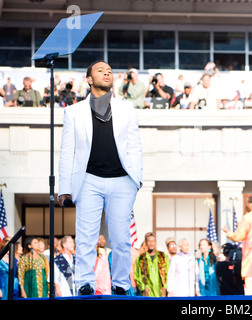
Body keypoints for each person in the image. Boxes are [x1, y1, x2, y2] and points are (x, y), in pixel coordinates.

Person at [58, 60, 143, 296]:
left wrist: (137, 179)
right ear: (88, 79)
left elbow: (135, 145)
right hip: (88, 180)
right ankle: (85, 283)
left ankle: (121, 285)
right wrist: (64, 187)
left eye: (109, 70)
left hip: (122, 180)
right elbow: (67, 151)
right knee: (86, 236)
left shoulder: (127, 108)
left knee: (121, 238)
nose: (107, 72)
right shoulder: (73, 112)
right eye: (100, 70)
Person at [222, 196, 252, 295]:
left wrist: (228, 232)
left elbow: (238, 236)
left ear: (251, 204)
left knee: (251, 287)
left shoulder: (249, 217)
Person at [134, 232, 170, 297]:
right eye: (149, 241)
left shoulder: (163, 256)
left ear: (155, 242)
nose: (151, 243)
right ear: (146, 243)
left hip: (161, 292)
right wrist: (143, 288)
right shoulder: (141, 258)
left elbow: (168, 273)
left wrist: (165, 287)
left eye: (153, 241)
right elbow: (137, 275)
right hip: (148, 292)